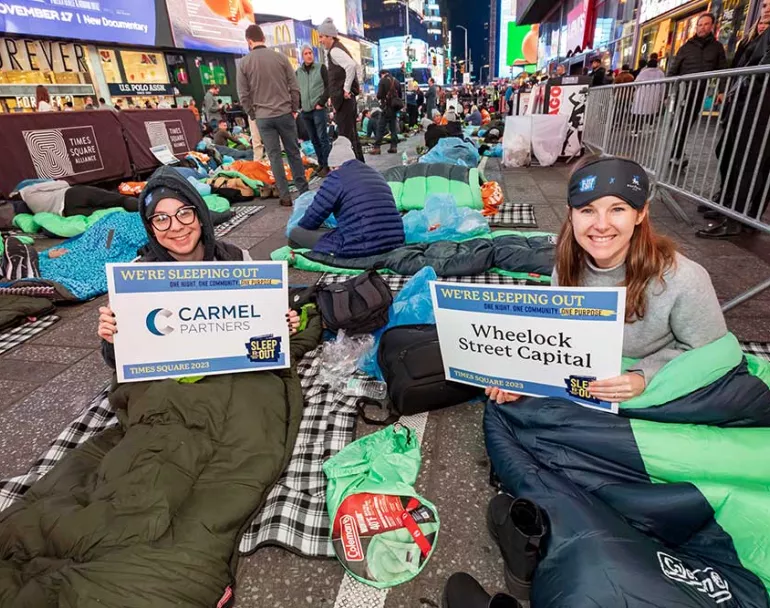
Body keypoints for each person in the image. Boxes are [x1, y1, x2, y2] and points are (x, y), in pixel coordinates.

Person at [486, 156, 727, 407]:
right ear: (571, 215)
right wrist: (522, 381)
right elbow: (563, 344)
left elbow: (711, 356)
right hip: (595, 389)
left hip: (658, 397)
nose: (601, 225)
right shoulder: (566, 268)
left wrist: (643, 377)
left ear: (640, 213)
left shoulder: (684, 278)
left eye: (618, 209)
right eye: (588, 210)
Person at [97, 166, 303, 367]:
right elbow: (121, 362)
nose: (176, 226)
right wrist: (113, 340)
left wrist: (281, 323)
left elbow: (261, 328)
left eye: (184, 213)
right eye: (161, 219)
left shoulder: (236, 259)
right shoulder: (134, 281)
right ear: (151, 229)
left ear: (201, 217)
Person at [698, 2, 770, 238]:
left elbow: (757, 71)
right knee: (728, 152)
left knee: (749, 161)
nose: (766, 9)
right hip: (744, 103)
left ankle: (738, 217)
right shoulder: (754, 36)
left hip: (760, 107)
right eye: (765, 5)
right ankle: (727, 205)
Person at [288, 136, 405, 258]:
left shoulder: (336, 177)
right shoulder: (375, 174)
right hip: (395, 240)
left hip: (361, 245)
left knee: (296, 234)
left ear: (333, 166)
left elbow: (310, 220)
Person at [237, 24, 309, 207]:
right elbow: (294, 87)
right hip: (285, 113)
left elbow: (243, 95)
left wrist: (253, 114)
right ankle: (304, 191)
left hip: (263, 117)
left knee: (274, 155)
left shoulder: (244, 63)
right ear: (264, 38)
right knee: (293, 152)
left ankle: (285, 196)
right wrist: (293, 108)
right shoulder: (281, 58)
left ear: (249, 41)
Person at [667, 13, 727, 167]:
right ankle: (674, 152)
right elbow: (673, 70)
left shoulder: (717, 47)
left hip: (699, 92)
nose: (702, 28)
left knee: (686, 123)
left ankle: (676, 152)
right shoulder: (686, 47)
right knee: (678, 122)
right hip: (683, 91)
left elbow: (722, 70)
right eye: (700, 25)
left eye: (706, 24)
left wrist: (721, 91)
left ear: (712, 26)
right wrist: (669, 93)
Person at [318, 18, 365, 162]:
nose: (320, 40)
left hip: (344, 102)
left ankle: (353, 171)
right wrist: (354, 86)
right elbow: (356, 66)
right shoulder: (339, 48)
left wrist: (345, 89)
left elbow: (351, 66)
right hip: (347, 101)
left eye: (321, 37)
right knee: (352, 137)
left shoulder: (335, 51)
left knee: (346, 139)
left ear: (329, 36)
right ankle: (360, 168)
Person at [296, 45, 332, 177]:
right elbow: (297, 90)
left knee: (323, 138)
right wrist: (299, 105)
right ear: (302, 56)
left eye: (310, 52)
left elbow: (329, 86)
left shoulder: (321, 68)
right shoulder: (298, 72)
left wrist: (321, 102)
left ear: (313, 54)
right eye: (305, 53)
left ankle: (327, 165)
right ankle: (321, 164)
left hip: (318, 109)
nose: (308, 55)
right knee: (314, 139)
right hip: (305, 111)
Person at [631, 57, 666, 135]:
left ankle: (636, 130)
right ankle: (650, 128)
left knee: (638, 113)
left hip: (641, 95)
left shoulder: (643, 72)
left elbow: (636, 83)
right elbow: (663, 86)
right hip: (654, 96)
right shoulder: (660, 73)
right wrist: (662, 97)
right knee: (651, 112)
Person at [372, 69, 401, 155]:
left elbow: (379, 95)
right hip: (394, 108)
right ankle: (394, 146)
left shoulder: (383, 80)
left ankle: (377, 147)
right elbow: (400, 95)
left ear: (382, 74)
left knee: (380, 127)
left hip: (386, 108)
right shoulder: (396, 81)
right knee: (393, 128)